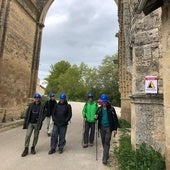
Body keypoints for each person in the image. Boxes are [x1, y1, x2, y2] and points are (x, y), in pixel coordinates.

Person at [95, 93, 119, 165]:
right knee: (103, 141)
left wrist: (115, 129)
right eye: (103, 102)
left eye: (105, 102)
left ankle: (104, 158)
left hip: (109, 127)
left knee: (107, 141)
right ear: (101, 102)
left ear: (107, 101)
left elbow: (115, 119)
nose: (104, 103)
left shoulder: (111, 109)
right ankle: (106, 153)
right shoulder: (99, 109)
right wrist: (95, 117)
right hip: (102, 127)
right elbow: (96, 116)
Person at [21, 93, 46, 157]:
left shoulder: (42, 105)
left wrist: (41, 119)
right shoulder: (31, 105)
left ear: (39, 99)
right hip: (30, 123)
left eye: (38, 98)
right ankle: (26, 148)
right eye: (35, 98)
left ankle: (33, 147)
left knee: (36, 136)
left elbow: (44, 113)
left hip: (37, 123)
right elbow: (27, 112)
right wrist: (26, 120)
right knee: (28, 135)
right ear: (34, 98)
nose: (36, 99)